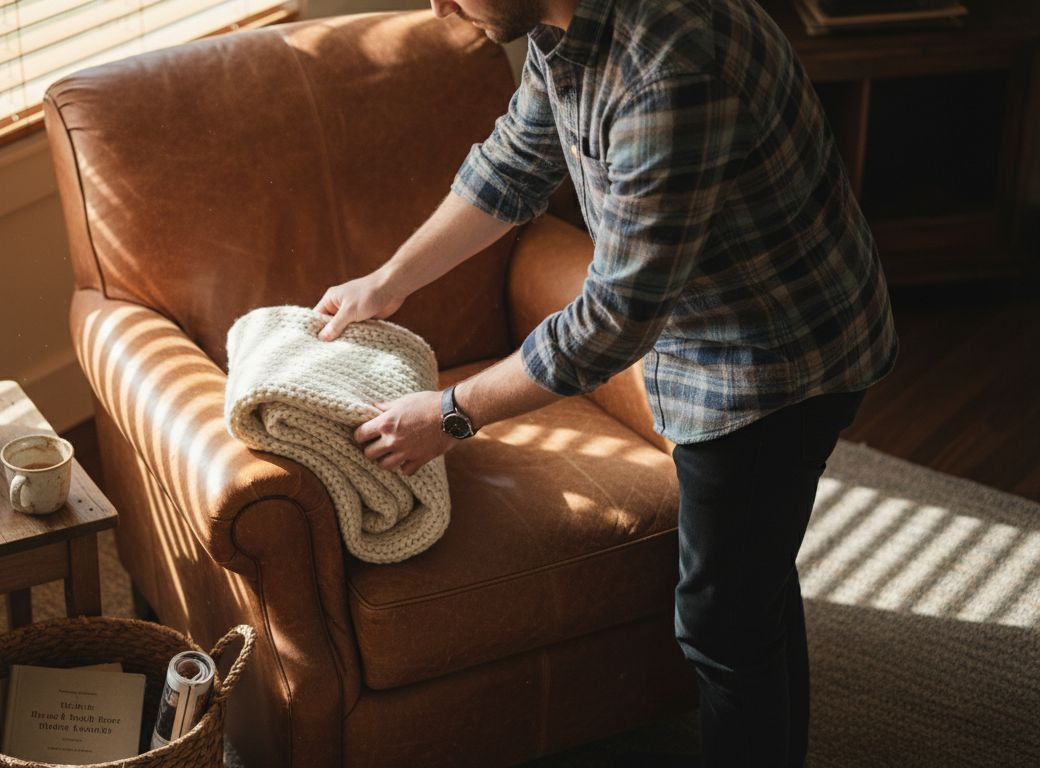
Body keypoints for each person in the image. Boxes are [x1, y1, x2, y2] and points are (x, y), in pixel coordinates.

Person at [313, 0, 898, 765]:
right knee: (752, 592)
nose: (439, 8)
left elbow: (614, 320)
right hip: (723, 329)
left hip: (773, 363)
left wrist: (453, 415)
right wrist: (388, 283)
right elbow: (514, 161)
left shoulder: (672, 67)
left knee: (720, 630)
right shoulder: (564, 26)